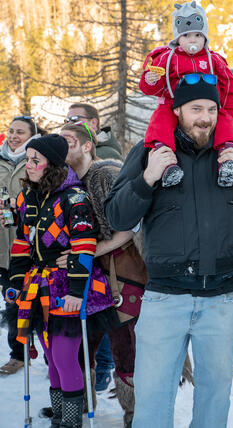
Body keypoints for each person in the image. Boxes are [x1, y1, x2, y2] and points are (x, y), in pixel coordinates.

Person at [104, 73, 233, 427]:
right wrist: (148, 177)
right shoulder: (149, 150)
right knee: (153, 394)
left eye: (212, 109)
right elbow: (117, 215)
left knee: (215, 393)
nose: (205, 117)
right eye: (196, 108)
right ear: (178, 109)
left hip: (223, 296)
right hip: (165, 297)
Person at [10, 134, 117, 428]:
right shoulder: (28, 198)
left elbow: (85, 247)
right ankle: (59, 415)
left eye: (35, 160)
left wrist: (76, 291)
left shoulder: (74, 198)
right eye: (28, 159)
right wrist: (16, 281)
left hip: (67, 285)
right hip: (39, 285)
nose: (28, 165)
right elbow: (21, 243)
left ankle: (71, 421)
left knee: (64, 355)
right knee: (50, 356)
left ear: (52, 165)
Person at [60, 121, 147, 427]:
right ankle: (82, 404)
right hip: (85, 277)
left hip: (120, 273)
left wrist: (88, 252)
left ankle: (135, 414)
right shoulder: (66, 181)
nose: (62, 146)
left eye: (68, 141)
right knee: (81, 344)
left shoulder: (106, 173)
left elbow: (130, 225)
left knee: (126, 348)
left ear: (87, 146)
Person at [139, 0, 233, 187]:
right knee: (160, 123)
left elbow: (230, 87)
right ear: (178, 38)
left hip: (207, 104)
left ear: (205, 37)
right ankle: (167, 163)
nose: (193, 40)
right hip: (173, 104)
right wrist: (151, 80)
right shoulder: (167, 58)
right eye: (187, 35)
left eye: (198, 35)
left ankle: (227, 160)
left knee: (225, 123)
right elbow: (152, 88)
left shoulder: (214, 60)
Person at [0, 116, 43, 376]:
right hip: (4, 245)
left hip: (34, 243)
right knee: (12, 300)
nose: (14, 136)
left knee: (42, 301)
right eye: (11, 131)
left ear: (32, 135)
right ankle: (18, 354)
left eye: (20, 132)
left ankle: (52, 356)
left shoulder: (38, 158)